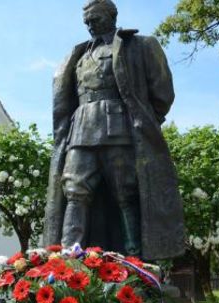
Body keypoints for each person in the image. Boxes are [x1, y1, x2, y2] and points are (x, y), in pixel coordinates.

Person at [42, 0, 185, 260]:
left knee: (125, 193)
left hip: (120, 130)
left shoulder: (139, 46)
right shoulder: (78, 54)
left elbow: (162, 93)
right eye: (86, 21)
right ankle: (67, 256)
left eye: (95, 18)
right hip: (81, 131)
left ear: (112, 16)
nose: (89, 25)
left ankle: (135, 259)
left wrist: (143, 123)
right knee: (74, 190)